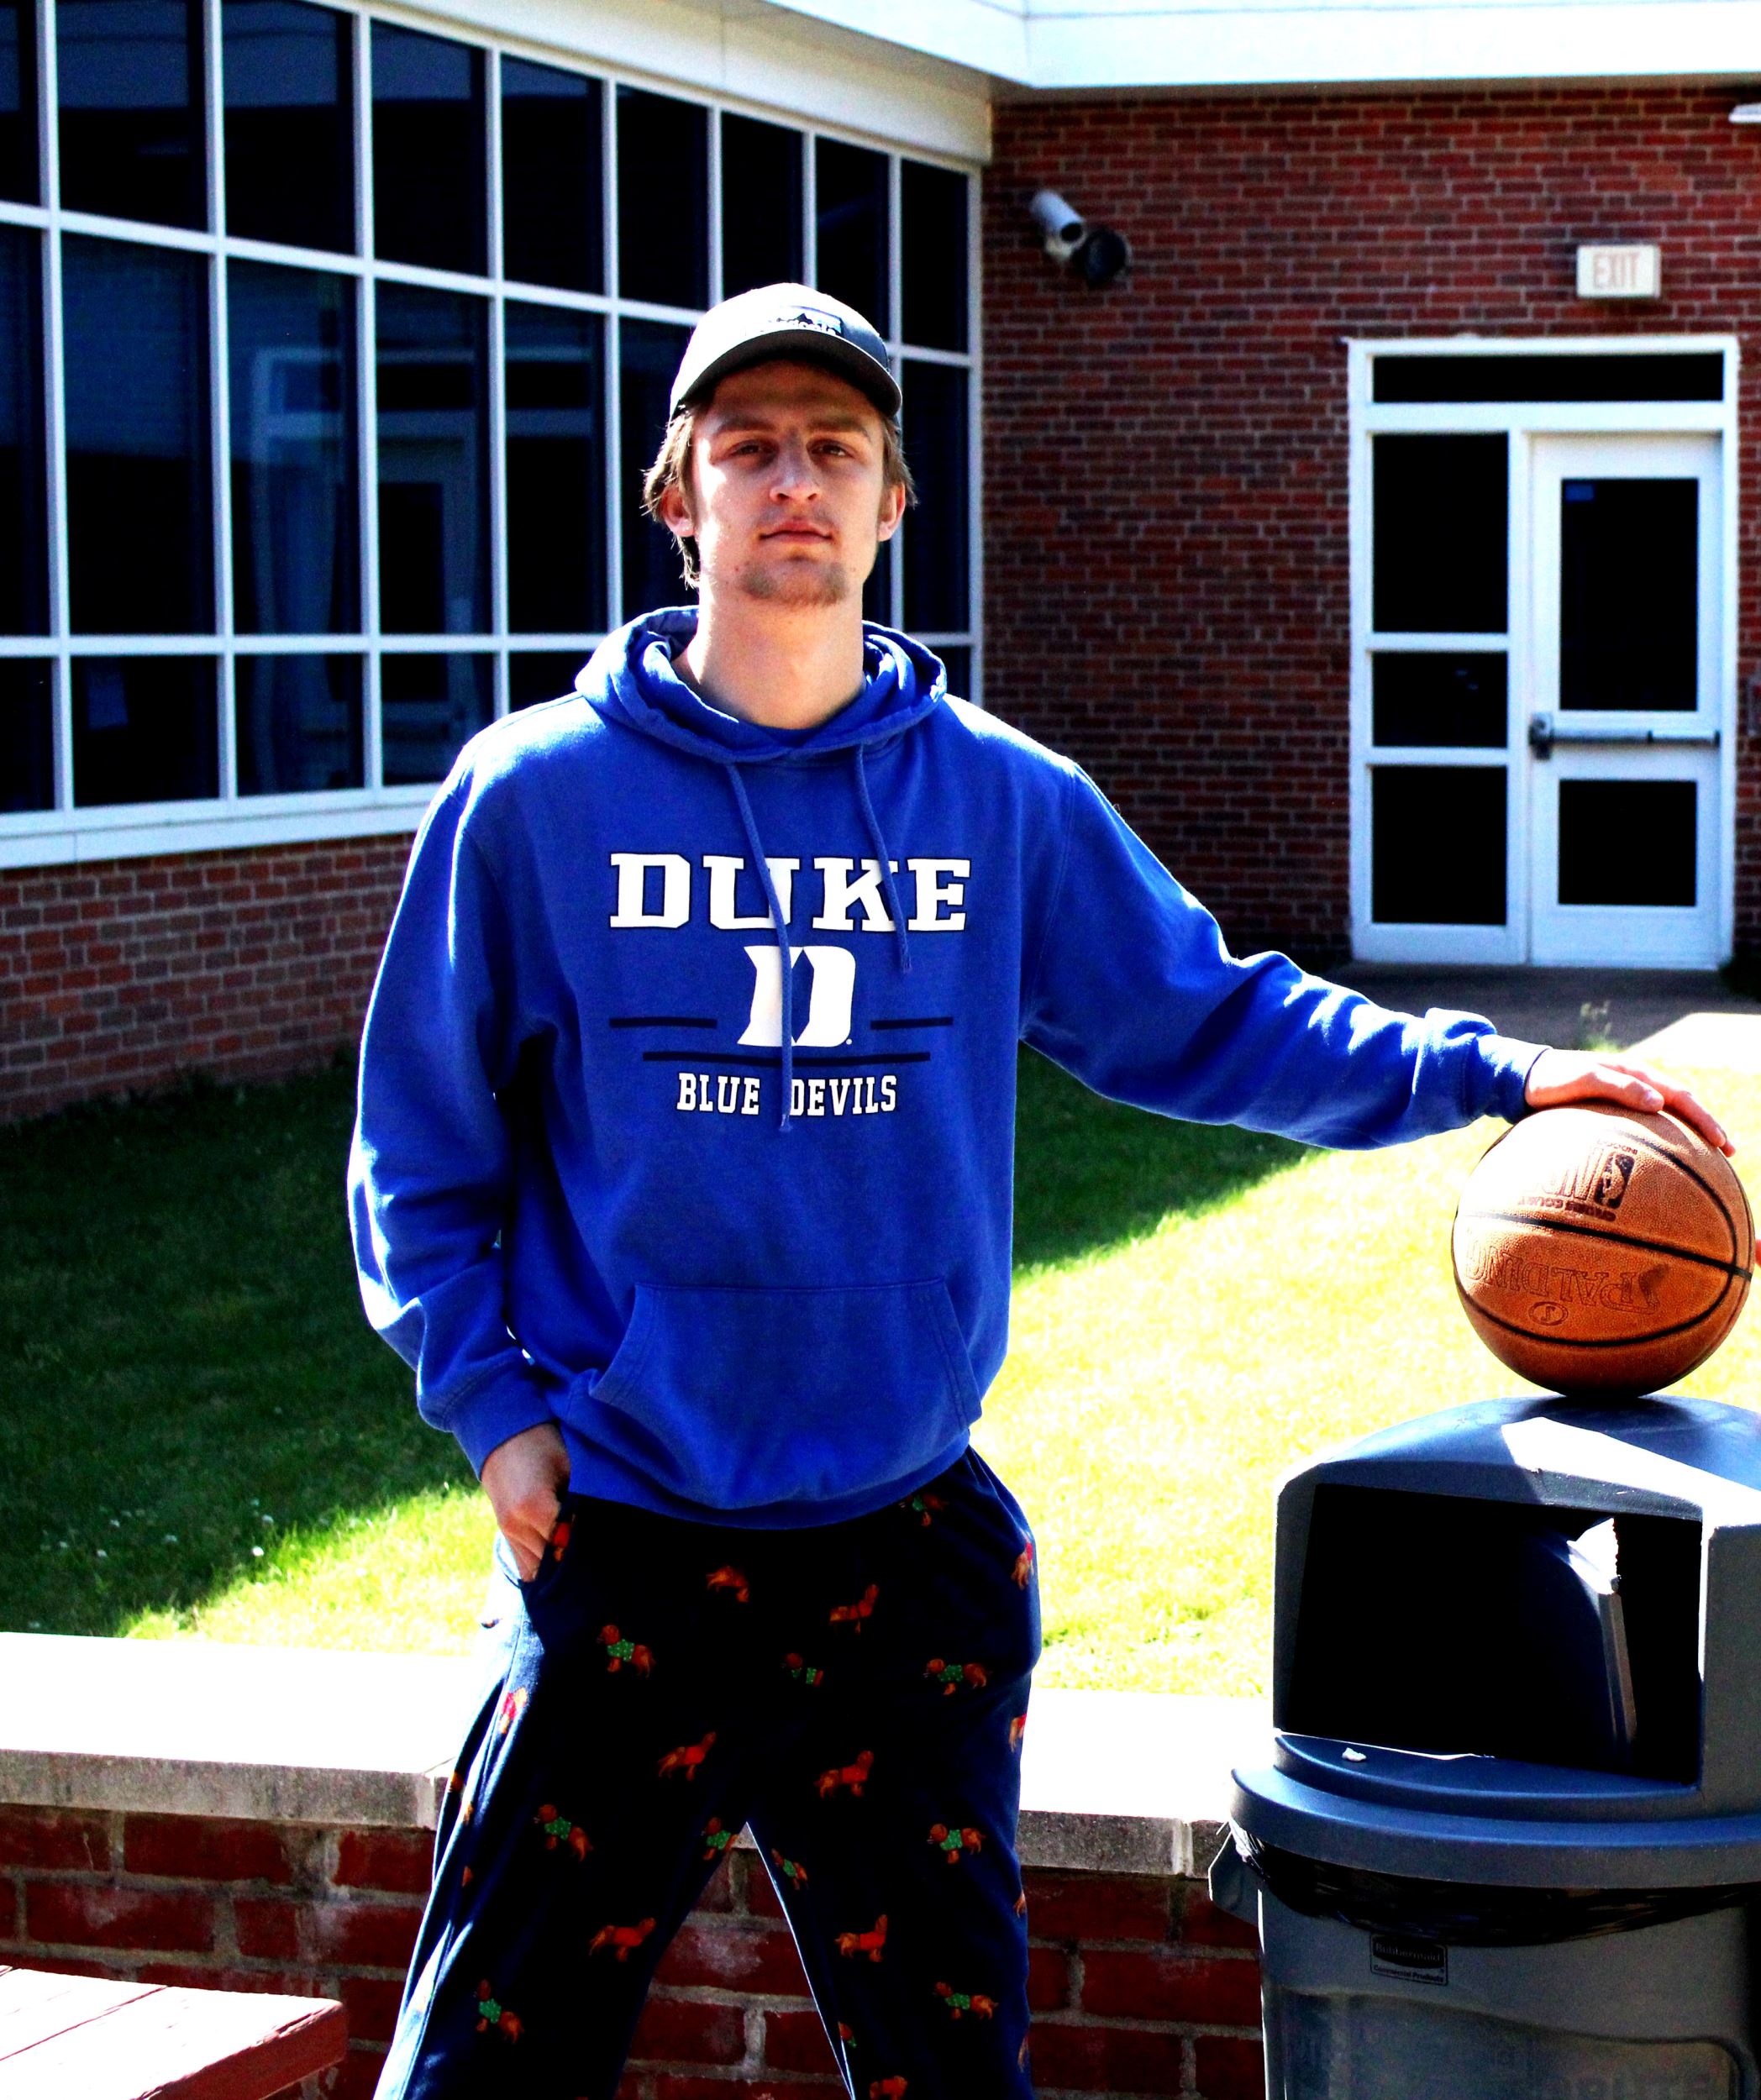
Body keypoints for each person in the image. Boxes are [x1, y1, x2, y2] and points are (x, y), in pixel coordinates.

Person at [348, 282, 1730, 2100]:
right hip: (626, 1540)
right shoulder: (532, 796)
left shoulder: (997, 800)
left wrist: (1496, 1074)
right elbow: (419, 1140)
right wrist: (493, 1411)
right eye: (749, 447)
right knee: (481, 2072)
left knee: (953, 2077)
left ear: (895, 501)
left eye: (835, 447)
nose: (793, 482)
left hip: (902, 1552)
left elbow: (1213, 1015)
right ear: (676, 495)